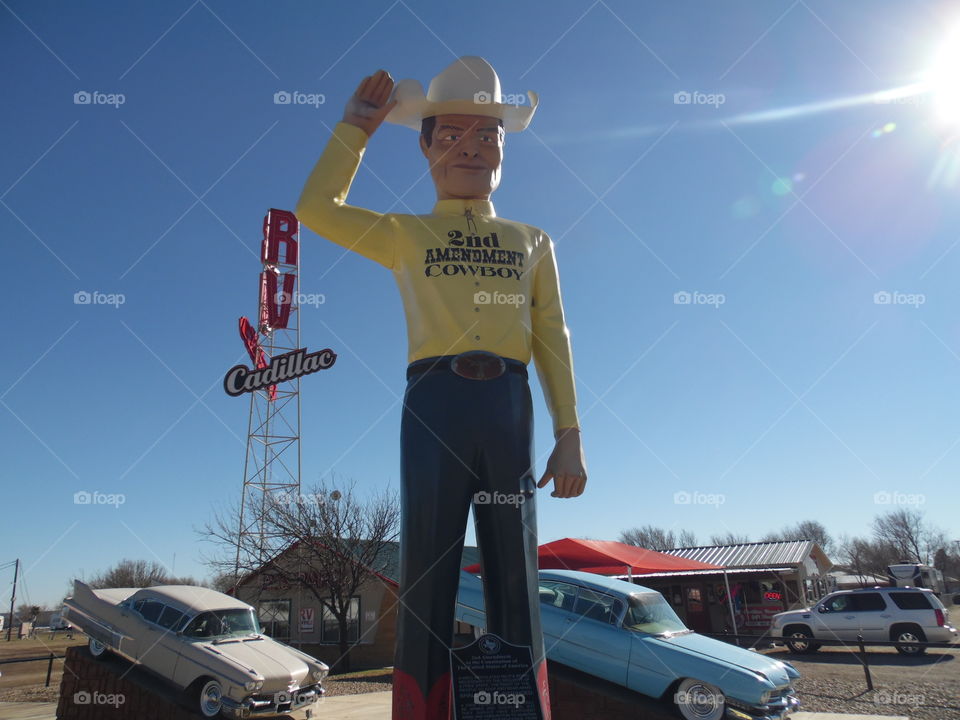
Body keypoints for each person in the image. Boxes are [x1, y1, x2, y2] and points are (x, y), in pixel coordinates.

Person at [295, 56, 587, 720]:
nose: (472, 147)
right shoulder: (405, 233)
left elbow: (553, 335)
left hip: (508, 405)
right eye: (452, 134)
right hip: (433, 402)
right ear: (424, 145)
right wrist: (354, 132)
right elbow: (316, 210)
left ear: (505, 150)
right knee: (428, 567)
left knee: (516, 565)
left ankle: (520, 706)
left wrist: (570, 433)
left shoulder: (532, 240)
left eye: (488, 135)